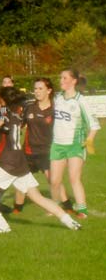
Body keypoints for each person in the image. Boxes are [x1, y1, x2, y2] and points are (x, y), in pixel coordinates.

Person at [0, 86, 81, 233]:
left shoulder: (5, 115)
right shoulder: (17, 114)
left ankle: (2, 226)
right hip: (20, 161)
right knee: (37, 197)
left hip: (8, 163)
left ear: (4, 100)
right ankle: (70, 222)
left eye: (0, 99)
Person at [13, 78, 73, 214]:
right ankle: (17, 209)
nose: (37, 91)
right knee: (21, 179)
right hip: (28, 151)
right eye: (35, 89)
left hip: (48, 151)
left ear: (49, 90)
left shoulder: (55, 109)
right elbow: (18, 125)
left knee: (53, 180)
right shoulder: (29, 107)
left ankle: (67, 206)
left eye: (40, 88)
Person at [50, 69, 100, 219]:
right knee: (54, 181)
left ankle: (82, 210)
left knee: (74, 179)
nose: (61, 81)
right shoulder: (57, 98)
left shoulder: (80, 100)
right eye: (60, 78)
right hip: (57, 145)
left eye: (64, 78)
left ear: (74, 81)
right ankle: (55, 208)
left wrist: (89, 140)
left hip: (75, 145)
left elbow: (94, 124)